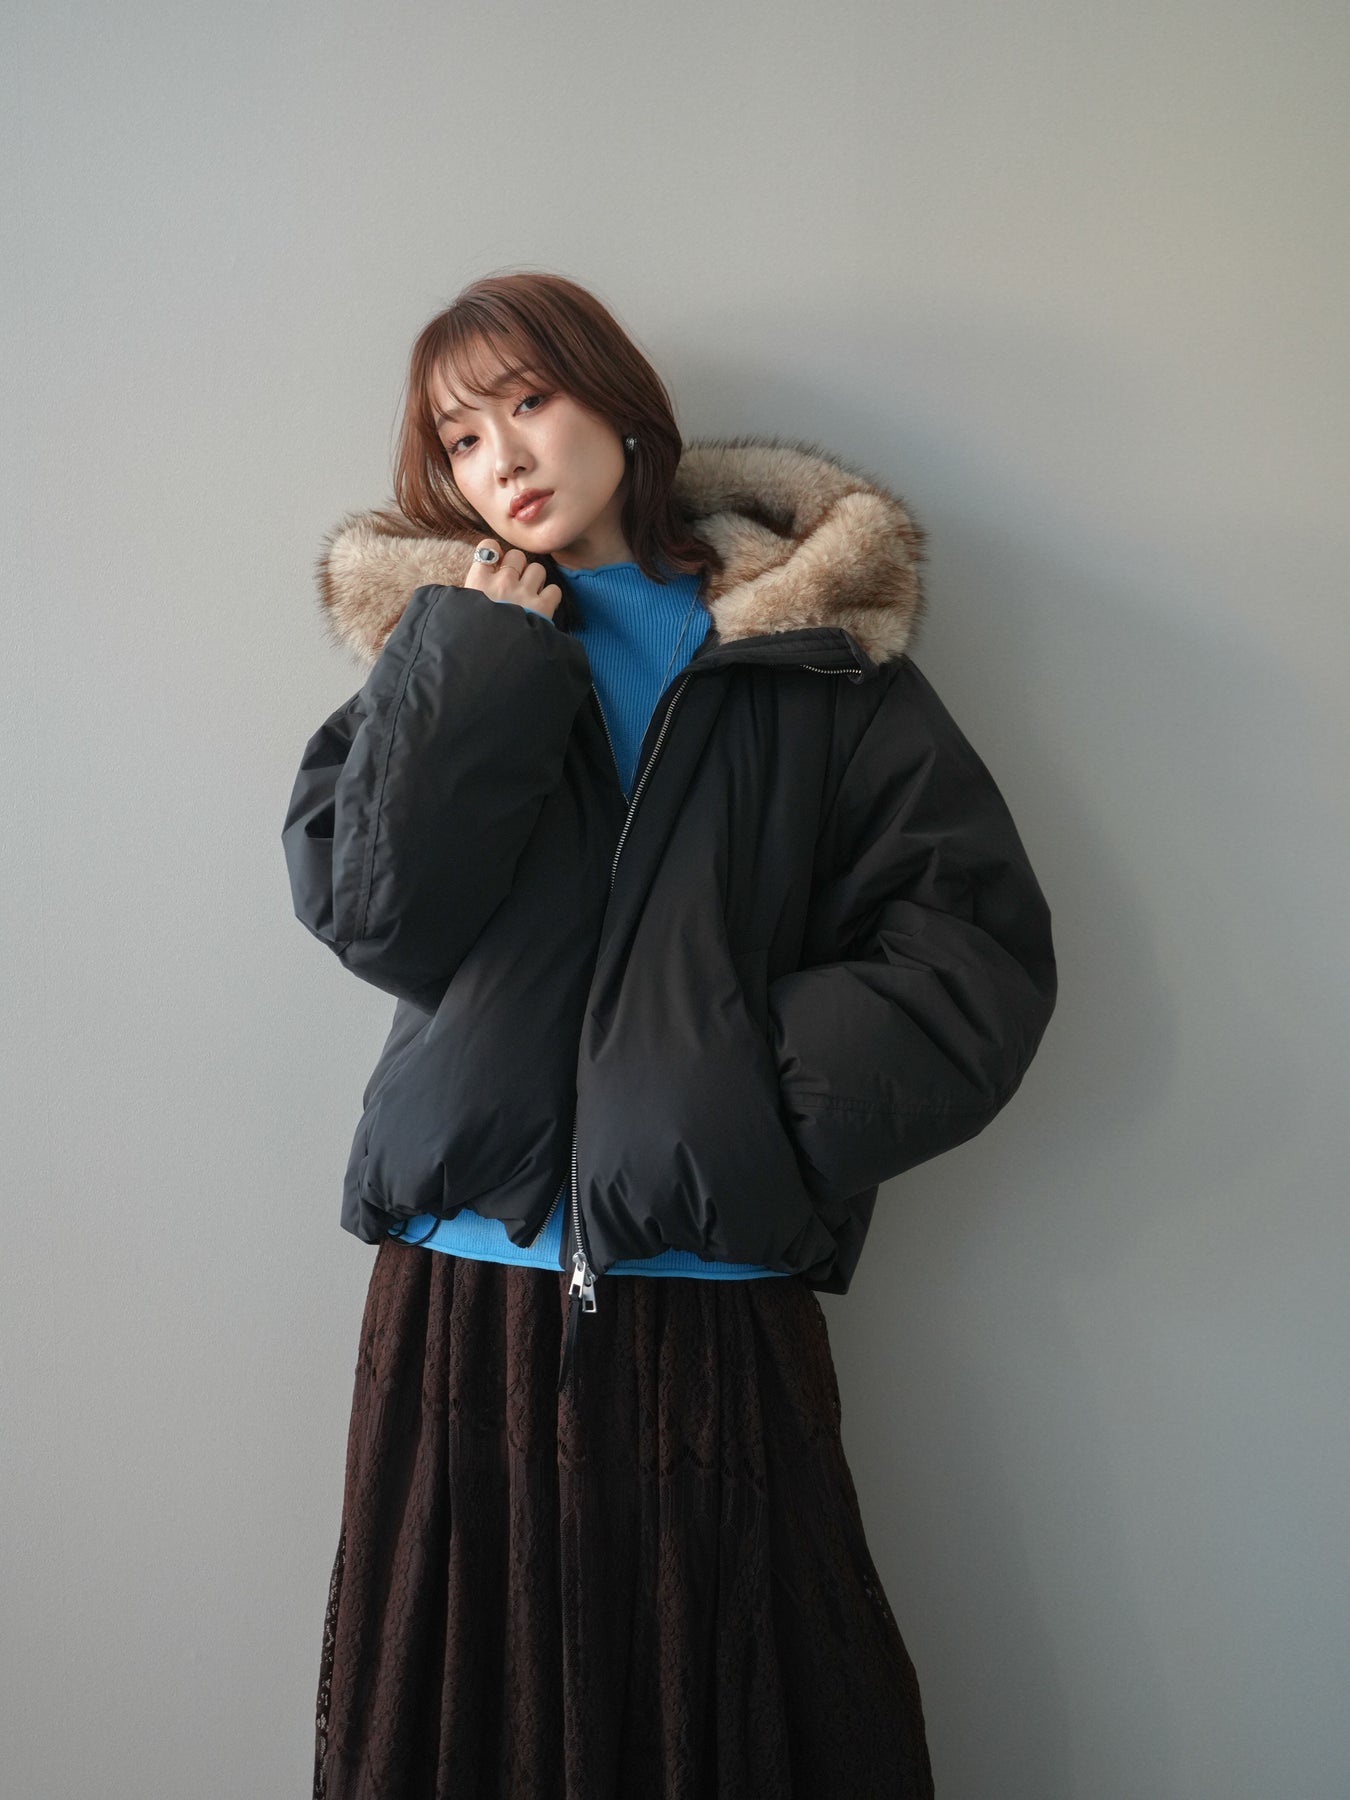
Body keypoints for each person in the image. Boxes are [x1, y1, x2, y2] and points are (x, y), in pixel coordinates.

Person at [282, 269, 1058, 1800]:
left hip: (705, 1287)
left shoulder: (803, 656)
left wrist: (736, 1111)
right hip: (459, 1283)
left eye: (528, 401)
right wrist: (468, 663)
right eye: (459, 437)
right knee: (459, 1727)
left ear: (620, 405)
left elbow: (970, 950)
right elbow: (377, 919)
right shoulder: (442, 653)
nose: (501, 455)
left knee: (745, 1716)